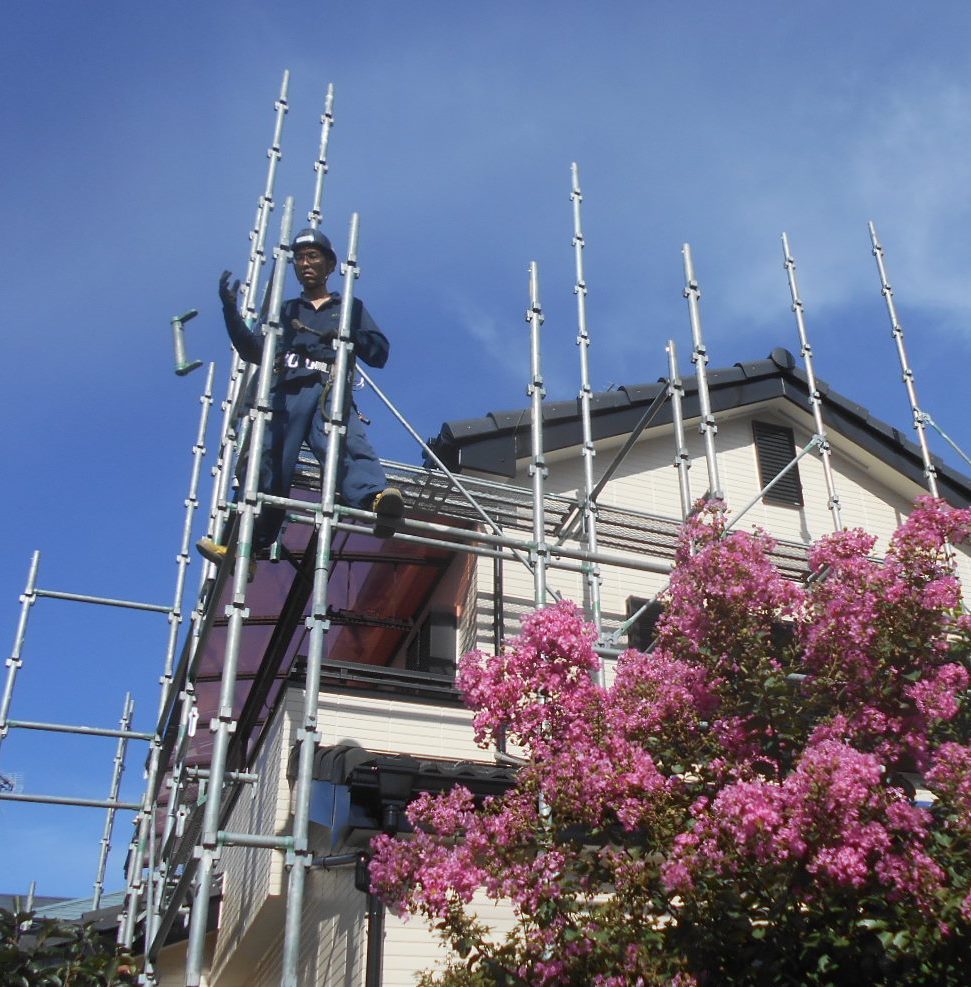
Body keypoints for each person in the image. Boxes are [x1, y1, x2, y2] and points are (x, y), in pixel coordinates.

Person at [197, 228, 403, 569]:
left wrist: (349, 335)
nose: (305, 264)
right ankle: (243, 542)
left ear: (330, 265)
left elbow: (379, 353)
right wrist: (230, 312)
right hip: (286, 390)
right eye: (299, 258)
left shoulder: (348, 307)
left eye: (313, 257)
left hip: (327, 388)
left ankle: (376, 501)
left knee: (345, 442)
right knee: (266, 460)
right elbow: (254, 351)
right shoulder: (286, 310)